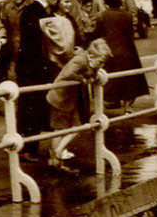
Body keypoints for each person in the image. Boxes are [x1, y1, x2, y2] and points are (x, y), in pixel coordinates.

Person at [15, 0, 64, 155]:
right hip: (33, 68)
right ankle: (28, 148)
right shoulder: (37, 12)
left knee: (29, 107)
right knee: (31, 108)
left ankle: (26, 146)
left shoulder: (33, 10)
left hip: (29, 66)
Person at [47, 38, 111, 172]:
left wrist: (92, 76)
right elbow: (68, 73)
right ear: (92, 56)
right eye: (100, 62)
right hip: (60, 97)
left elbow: (92, 73)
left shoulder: (90, 62)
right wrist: (83, 79)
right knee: (60, 129)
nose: (101, 66)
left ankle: (58, 154)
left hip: (70, 99)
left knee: (78, 126)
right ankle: (56, 162)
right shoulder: (80, 60)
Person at [94, 0, 148, 111]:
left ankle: (108, 102)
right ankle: (127, 106)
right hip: (125, 50)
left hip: (108, 51)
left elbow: (97, 33)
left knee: (110, 78)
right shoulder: (127, 16)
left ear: (106, 2)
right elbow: (130, 34)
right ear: (120, 1)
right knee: (128, 79)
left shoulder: (102, 16)